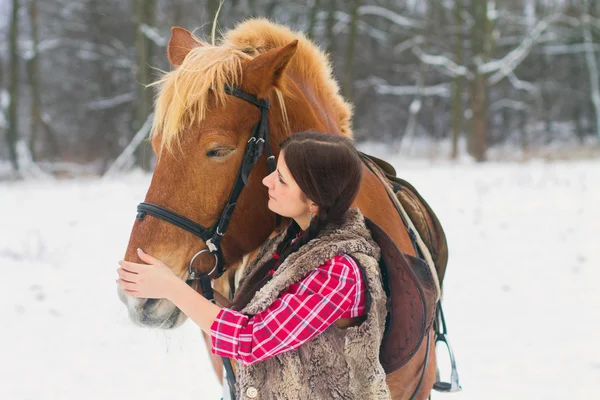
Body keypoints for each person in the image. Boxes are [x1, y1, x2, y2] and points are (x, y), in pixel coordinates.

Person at [117, 131, 391, 399]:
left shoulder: (339, 270)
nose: (267, 181)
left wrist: (173, 288)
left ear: (314, 202)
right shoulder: (290, 242)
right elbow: (250, 320)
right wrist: (187, 287)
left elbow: (251, 340)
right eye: (275, 170)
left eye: (282, 180)